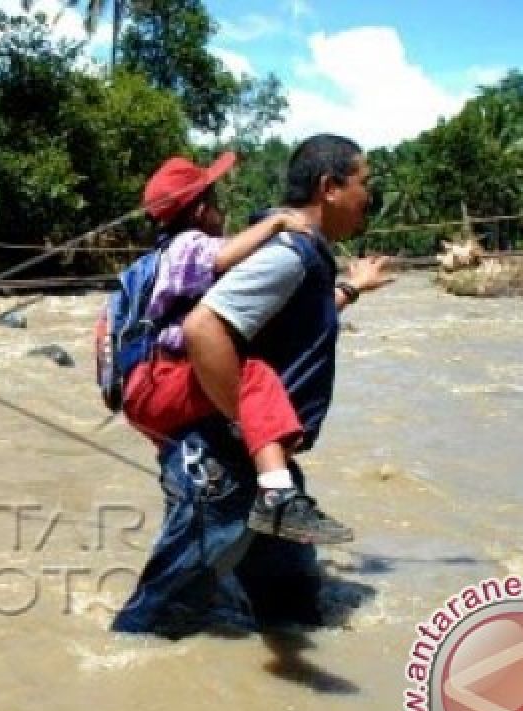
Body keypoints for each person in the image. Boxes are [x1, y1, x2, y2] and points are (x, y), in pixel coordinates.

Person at [112, 134, 394, 638]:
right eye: (364, 183)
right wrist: (249, 425)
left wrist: (351, 288)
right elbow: (204, 327)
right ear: (330, 187)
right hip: (224, 465)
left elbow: (288, 321)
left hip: (254, 468)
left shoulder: (297, 253)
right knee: (154, 623)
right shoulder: (287, 251)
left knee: (293, 611)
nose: (368, 195)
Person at [122, 152, 351, 545]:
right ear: (199, 212)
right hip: (163, 378)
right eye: (216, 204)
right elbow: (224, 258)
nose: (223, 212)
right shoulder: (188, 245)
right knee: (255, 377)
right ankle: (277, 495)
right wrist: (278, 221)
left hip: (146, 391)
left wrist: (349, 290)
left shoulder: (160, 256)